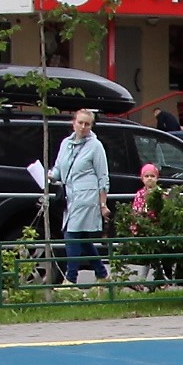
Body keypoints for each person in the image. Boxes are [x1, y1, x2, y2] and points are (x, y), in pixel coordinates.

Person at [52, 106, 110, 284]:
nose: (83, 127)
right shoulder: (66, 143)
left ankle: (70, 280)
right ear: (73, 123)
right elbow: (59, 169)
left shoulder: (95, 146)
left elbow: (103, 176)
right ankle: (102, 275)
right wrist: (50, 175)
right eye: (80, 123)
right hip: (70, 196)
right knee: (83, 239)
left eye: (87, 124)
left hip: (87, 197)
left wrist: (103, 204)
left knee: (71, 235)